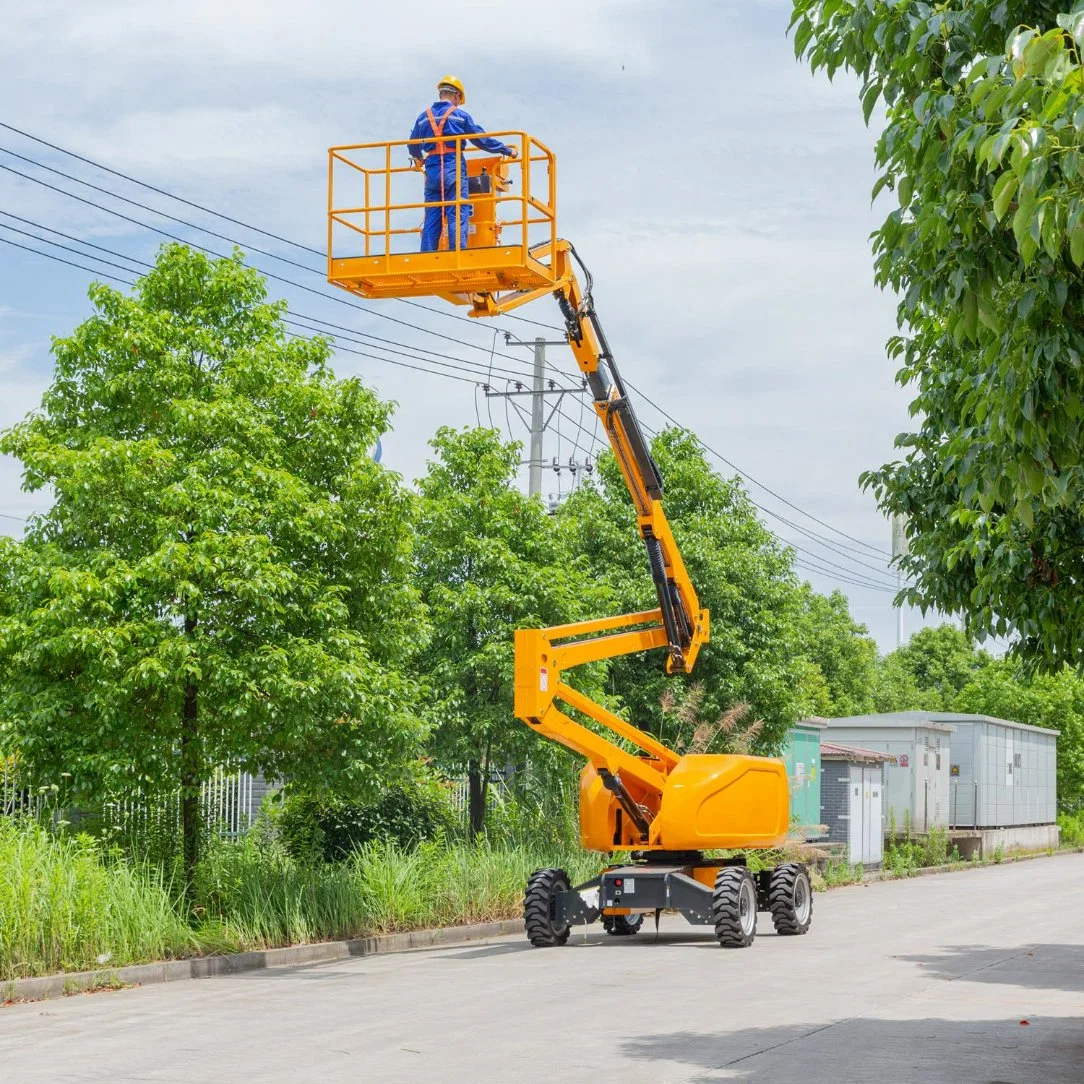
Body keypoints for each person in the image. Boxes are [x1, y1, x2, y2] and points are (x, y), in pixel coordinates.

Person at [409, 76, 517, 252]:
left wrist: (418, 158)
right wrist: (506, 150)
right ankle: (457, 255)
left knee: (432, 215)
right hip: (453, 166)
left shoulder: (423, 118)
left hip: (432, 170)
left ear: (441, 93)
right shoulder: (459, 116)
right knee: (457, 212)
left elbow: (412, 145)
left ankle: (426, 256)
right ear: (457, 96)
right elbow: (481, 140)